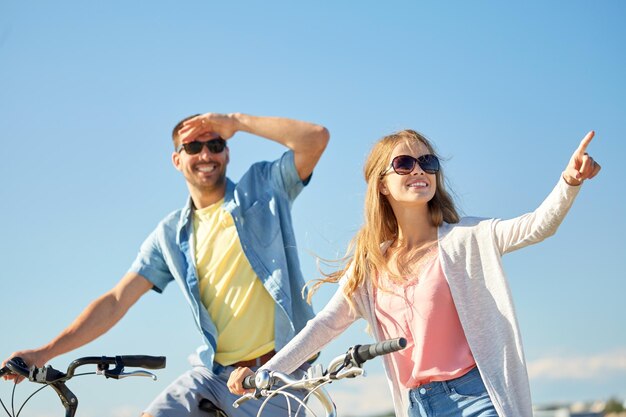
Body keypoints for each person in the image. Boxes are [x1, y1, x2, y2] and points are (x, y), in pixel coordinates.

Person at [228, 129, 601, 417]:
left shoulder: (465, 239)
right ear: (382, 185)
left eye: (428, 162)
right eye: (404, 164)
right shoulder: (370, 264)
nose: (419, 169)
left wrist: (568, 182)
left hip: (476, 399)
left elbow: (536, 226)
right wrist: (266, 373)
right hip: (416, 405)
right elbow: (325, 324)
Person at [3, 112, 330, 417]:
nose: (206, 154)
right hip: (213, 375)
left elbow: (315, 138)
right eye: (193, 146)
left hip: (277, 374)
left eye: (215, 145)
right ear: (177, 159)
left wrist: (235, 121)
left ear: (227, 154)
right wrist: (43, 353)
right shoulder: (171, 235)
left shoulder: (263, 188)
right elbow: (116, 300)